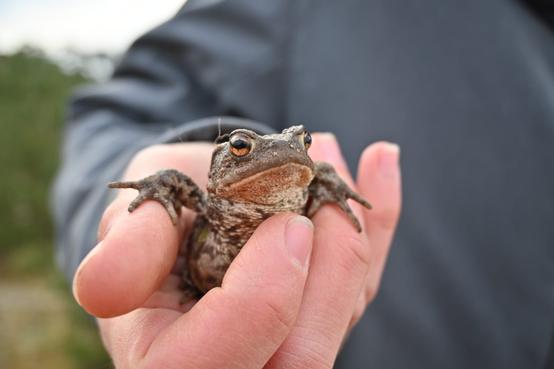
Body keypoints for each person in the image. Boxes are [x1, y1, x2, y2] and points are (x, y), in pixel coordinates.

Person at [53, 1, 554, 368]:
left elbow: (319, 175)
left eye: (302, 143)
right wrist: (131, 208)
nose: (293, 153)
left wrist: (328, 184)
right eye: (245, 147)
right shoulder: (298, 13)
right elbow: (129, 125)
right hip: (196, 288)